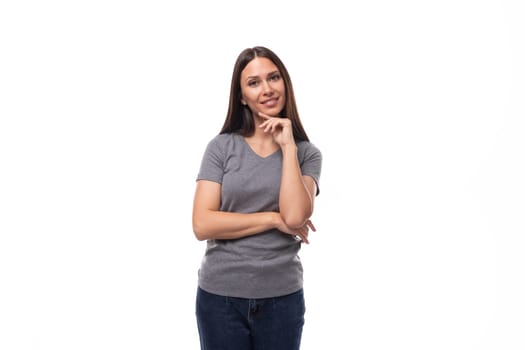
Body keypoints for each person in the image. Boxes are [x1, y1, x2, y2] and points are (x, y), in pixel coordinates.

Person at [192, 46, 322, 350]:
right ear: (241, 97)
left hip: (282, 299)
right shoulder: (221, 148)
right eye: (254, 82)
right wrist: (271, 219)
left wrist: (288, 147)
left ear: (285, 84)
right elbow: (202, 223)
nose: (267, 89)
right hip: (221, 300)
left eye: (273, 78)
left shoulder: (306, 154)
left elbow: (295, 217)